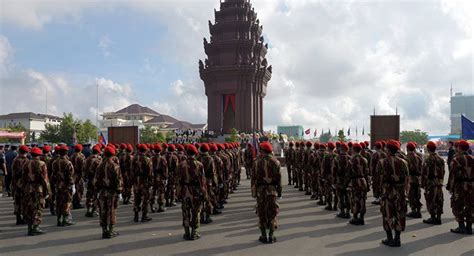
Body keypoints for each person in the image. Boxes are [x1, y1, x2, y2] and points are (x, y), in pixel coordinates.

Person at [379, 140, 408, 247]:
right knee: (400, 215)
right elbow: (406, 179)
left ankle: (389, 238)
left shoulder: (382, 162)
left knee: (387, 215)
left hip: (387, 193)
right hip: (400, 193)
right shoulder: (404, 162)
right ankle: (397, 238)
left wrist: (378, 192)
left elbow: (378, 179)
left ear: (388, 149)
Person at [251, 142, 282, 244]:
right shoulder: (276, 162)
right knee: (272, 213)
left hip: (260, 191)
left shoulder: (256, 162)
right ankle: (271, 236)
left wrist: (254, 193)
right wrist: (280, 192)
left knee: (262, 213)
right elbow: (279, 180)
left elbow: (253, 179)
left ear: (262, 151)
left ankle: (263, 236)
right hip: (272, 191)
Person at [177, 144, 208, 240]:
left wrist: (178, 193)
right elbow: (202, 182)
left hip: (185, 190)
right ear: (195, 153)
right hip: (196, 191)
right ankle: (194, 233)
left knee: (186, 212)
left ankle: (186, 233)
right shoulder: (199, 165)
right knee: (196, 212)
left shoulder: (181, 165)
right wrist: (204, 194)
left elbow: (178, 181)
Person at [94, 146, 123, 239]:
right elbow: (118, 181)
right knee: (111, 211)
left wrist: (97, 189)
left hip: (102, 191)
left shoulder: (99, 166)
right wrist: (119, 192)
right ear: (113, 154)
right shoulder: (115, 166)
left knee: (103, 210)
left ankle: (104, 231)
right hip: (112, 192)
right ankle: (110, 231)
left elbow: (96, 180)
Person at [21, 147, 50, 235]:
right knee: (38, 208)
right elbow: (45, 180)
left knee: (29, 208)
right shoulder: (42, 164)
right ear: (39, 155)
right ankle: (36, 227)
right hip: (38, 188)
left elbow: (23, 178)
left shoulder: (26, 163)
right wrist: (47, 192)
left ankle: (30, 228)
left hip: (28, 188)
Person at [447, 140, 473, 235]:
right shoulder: (472, 158)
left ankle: (461, 226)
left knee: (457, 206)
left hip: (460, 186)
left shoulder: (456, 159)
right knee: (470, 206)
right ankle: (469, 227)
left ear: (460, 148)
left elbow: (452, 175)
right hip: (471, 186)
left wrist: (450, 187)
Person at [52, 145, 76, 226]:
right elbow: (70, 175)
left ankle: (59, 219)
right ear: (66, 153)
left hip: (58, 185)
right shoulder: (68, 163)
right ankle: (66, 219)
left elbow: (53, 175)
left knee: (59, 202)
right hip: (66, 185)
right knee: (67, 202)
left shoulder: (55, 162)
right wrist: (72, 185)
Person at [421, 141, 445, 225]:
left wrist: (423, 184)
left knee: (431, 200)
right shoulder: (441, 159)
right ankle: (438, 218)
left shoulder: (428, 159)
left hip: (430, 182)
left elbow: (425, 173)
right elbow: (443, 171)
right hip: (438, 182)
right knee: (439, 199)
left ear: (428, 149)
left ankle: (433, 217)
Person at [132, 144, 153, 222]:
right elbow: (150, 172)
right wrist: (150, 182)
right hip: (144, 181)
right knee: (145, 199)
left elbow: (131, 170)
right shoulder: (147, 159)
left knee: (136, 198)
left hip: (136, 181)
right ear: (145, 150)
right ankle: (144, 216)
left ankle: (136, 216)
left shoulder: (134, 159)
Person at [349, 143, 369, 225]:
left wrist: (346, 184)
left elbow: (348, 173)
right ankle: (362, 217)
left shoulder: (351, 160)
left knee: (355, 199)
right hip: (363, 180)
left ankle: (355, 217)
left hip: (355, 181)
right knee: (362, 200)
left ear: (353, 150)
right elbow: (366, 172)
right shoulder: (364, 160)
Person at [197, 143, 216, 224]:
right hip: (208, 181)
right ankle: (207, 217)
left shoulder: (197, 159)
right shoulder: (210, 159)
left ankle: (201, 217)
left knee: (200, 199)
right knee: (208, 199)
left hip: (199, 182)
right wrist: (215, 183)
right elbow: (213, 172)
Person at [12, 145, 30, 225]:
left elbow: (13, 172)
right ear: (26, 152)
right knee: (25, 201)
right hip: (24, 184)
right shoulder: (26, 161)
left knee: (17, 201)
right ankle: (25, 218)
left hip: (16, 184)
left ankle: (18, 218)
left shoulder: (15, 160)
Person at [333, 142, 351, 219]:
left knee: (340, 196)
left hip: (339, 180)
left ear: (341, 149)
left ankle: (342, 211)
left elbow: (334, 170)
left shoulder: (337, 158)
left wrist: (333, 182)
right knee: (348, 196)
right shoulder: (350, 158)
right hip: (348, 180)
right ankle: (348, 212)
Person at [406, 142, 423, 219]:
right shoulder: (419, 156)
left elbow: (408, 169)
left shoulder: (408, 157)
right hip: (418, 178)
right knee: (417, 194)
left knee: (411, 195)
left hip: (411, 178)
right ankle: (418, 211)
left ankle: (413, 211)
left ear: (408, 148)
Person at [84, 145, 102, 217]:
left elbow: (84, 169)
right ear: (98, 152)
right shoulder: (99, 160)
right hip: (96, 180)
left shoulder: (87, 159)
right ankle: (94, 210)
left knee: (89, 195)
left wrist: (85, 178)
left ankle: (88, 210)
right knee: (96, 195)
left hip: (89, 179)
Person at [150, 144, 168, 213]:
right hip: (161, 178)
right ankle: (160, 206)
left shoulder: (151, 159)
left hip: (153, 178)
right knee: (161, 192)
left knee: (153, 192)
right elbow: (165, 170)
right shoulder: (163, 159)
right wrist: (165, 178)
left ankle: (152, 206)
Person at [70, 144, 86, 209]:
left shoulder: (71, 156)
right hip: (79, 175)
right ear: (81, 149)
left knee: (75, 189)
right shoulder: (81, 156)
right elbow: (83, 167)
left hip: (73, 175)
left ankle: (74, 202)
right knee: (80, 189)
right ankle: (77, 203)